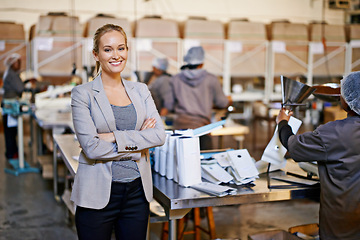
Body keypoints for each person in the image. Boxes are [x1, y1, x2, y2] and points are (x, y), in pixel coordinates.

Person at [70, 24, 166, 240]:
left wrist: (112, 136)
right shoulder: (82, 94)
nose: (116, 55)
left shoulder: (140, 90)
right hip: (96, 193)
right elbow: (92, 149)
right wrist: (138, 144)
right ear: (96, 54)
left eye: (121, 48)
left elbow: (159, 135)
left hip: (137, 193)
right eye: (108, 49)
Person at [276, 71, 360, 240]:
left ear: (347, 101)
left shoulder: (335, 133)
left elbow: (293, 145)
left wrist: (282, 122)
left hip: (342, 221)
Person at [168, 46, 230, 149]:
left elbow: (169, 105)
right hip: (202, 130)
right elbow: (222, 103)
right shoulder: (211, 79)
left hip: (179, 130)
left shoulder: (175, 79)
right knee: (202, 162)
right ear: (202, 63)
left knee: (179, 163)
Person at [1, 53, 24, 160]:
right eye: (18, 63)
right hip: (10, 106)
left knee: (10, 131)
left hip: (8, 104)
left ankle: (12, 152)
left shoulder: (9, 73)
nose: (19, 65)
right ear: (14, 63)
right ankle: (12, 153)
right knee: (11, 131)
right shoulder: (12, 74)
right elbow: (20, 88)